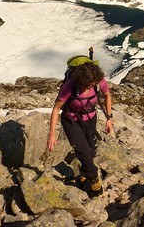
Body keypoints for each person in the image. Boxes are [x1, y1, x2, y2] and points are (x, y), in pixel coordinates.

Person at [47, 61, 113, 196]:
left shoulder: (99, 82)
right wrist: (52, 134)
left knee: (89, 148)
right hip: (71, 121)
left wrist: (109, 118)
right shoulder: (69, 86)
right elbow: (56, 109)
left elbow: (107, 96)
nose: (91, 87)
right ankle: (94, 181)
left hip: (90, 118)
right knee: (83, 150)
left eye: (93, 84)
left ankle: (84, 174)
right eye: (88, 85)